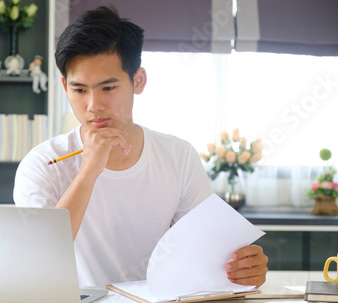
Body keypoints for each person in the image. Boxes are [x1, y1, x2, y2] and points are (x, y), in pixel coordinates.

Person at [13, 6, 268, 288]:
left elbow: (207, 253)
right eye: (79, 90)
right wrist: (88, 171)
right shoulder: (42, 164)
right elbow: (39, 256)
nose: (93, 106)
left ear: (138, 81)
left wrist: (242, 267)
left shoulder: (178, 156)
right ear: (64, 87)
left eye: (108, 88)